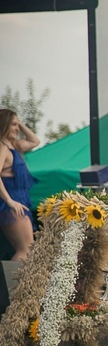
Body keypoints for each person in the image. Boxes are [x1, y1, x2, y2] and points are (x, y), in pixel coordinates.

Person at [0, 109, 40, 261]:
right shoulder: (3, 148)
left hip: (21, 200)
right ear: (4, 125)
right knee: (25, 250)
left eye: (18, 125)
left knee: (28, 250)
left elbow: (34, 141)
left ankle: (19, 284)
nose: (17, 128)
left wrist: (19, 124)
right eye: (13, 125)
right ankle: (14, 285)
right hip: (11, 201)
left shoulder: (14, 146)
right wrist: (9, 201)